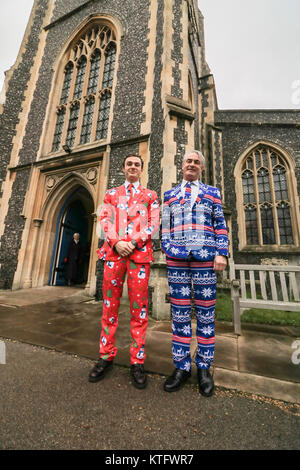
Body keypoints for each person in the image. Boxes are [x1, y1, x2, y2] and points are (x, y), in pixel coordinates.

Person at [89, 154, 160, 388]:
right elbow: (105, 220)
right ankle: (105, 356)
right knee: (109, 308)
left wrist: (134, 242)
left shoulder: (151, 196)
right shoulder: (111, 194)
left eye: (136, 164)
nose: (132, 167)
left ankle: (137, 361)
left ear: (141, 169)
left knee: (139, 311)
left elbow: (154, 223)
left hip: (138, 258)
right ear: (123, 168)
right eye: (128, 163)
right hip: (113, 256)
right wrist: (117, 242)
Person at [161, 150, 228, 397]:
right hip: (176, 260)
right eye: (188, 161)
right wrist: (169, 248)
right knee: (179, 314)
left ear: (202, 168)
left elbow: (220, 224)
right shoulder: (169, 195)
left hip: (206, 259)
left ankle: (203, 368)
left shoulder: (213, 193)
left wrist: (221, 253)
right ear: (182, 166)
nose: (192, 164)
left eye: (196, 162)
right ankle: (181, 367)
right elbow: (164, 227)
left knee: (205, 315)